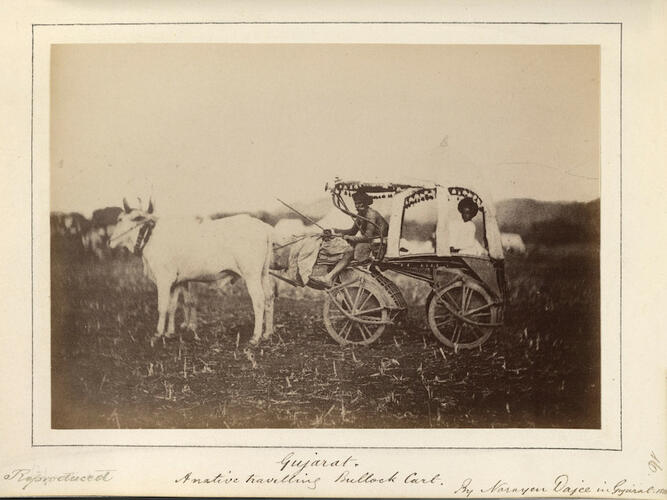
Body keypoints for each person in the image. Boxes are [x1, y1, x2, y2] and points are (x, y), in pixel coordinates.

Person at [310, 190, 389, 287]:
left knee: (349, 251)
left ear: (365, 203)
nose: (357, 206)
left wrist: (349, 238)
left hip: (378, 245)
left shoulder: (371, 215)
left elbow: (368, 237)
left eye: (360, 203)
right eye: (356, 204)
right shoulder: (361, 214)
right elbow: (352, 231)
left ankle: (329, 278)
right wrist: (334, 231)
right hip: (373, 242)